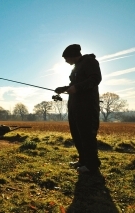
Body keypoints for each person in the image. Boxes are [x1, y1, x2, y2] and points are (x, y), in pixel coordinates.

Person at [55, 44, 102, 173]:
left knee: (87, 135)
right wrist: (63, 89)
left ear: (72, 55)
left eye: (66, 58)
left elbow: (95, 79)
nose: (65, 61)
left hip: (87, 107)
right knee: (77, 134)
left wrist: (76, 88)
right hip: (75, 107)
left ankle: (92, 165)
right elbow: (73, 85)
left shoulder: (90, 61)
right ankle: (83, 161)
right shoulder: (76, 68)